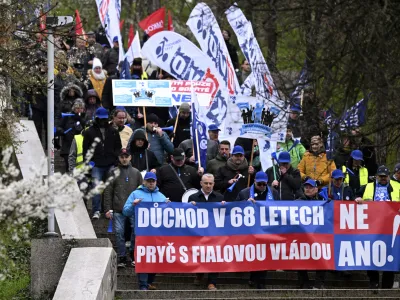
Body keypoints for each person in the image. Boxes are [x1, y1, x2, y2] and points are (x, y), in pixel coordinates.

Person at [122, 172, 169, 290]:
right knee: (143, 258)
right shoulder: (136, 194)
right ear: (144, 182)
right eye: (148, 181)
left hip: (158, 234)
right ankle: (143, 284)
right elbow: (125, 212)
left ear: (156, 182)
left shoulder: (162, 196)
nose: (151, 183)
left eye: (153, 181)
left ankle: (149, 282)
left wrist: (169, 206)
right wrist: (133, 205)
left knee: (156, 258)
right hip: (141, 234)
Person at [355, 167, 400, 288]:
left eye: (385, 176)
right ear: (376, 176)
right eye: (381, 176)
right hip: (372, 226)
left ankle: (387, 285)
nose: (383, 178)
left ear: (389, 176)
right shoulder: (367, 186)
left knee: (390, 253)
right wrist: (358, 199)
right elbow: (357, 196)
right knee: (371, 253)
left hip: (391, 228)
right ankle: (373, 281)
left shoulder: (397, 186)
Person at [236, 171, 278, 289]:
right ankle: (253, 278)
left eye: (264, 184)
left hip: (266, 229)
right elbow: (235, 209)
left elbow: (280, 208)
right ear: (254, 182)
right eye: (259, 184)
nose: (262, 187)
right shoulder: (244, 193)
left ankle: (261, 281)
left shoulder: (273, 192)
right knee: (254, 254)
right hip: (249, 229)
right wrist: (245, 204)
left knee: (264, 254)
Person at [104, 148, 142, 267]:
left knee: (136, 232)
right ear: (119, 158)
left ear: (130, 157)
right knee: (119, 233)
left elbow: (142, 190)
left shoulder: (136, 173)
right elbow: (108, 191)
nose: (124, 159)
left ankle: (132, 254)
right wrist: (107, 209)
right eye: (122, 157)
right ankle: (121, 256)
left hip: (133, 208)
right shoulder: (113, 172)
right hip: (118, 208)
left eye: (126, 156)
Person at [82, 107, 122, 219]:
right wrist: (90, 162)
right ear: (96, 118)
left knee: (111, 187)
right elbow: (86, 150)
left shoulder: (113, 131)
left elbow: (118, 147)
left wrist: (115, 160)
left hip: (110, 163)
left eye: (104, 119)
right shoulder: (89, 132)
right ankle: (96, 210)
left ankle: (109, 210)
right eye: (100, 119)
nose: (102, 121)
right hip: (97, 165)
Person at [188, 174, 224, 290]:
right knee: (200, 254)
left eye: (210, 183)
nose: (208, 186)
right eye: (206, 183)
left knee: (214, 256)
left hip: (215, 233)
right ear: (201, 183)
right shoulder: (193, 197)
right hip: (199, 233)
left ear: (214, 184)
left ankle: (212, 282)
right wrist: (189, 207)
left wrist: (225, 207)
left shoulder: (219, 197)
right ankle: (199, 274)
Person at [55, 98, 86, 172]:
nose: (79, 110)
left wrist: (81, 121)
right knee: (69, 167)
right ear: (74, 108)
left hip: (80, 147)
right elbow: (58, 127)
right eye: (77, 108)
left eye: (81, 108)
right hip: (67, 146)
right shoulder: (67, 116)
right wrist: (63, 132)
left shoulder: (84, 117)